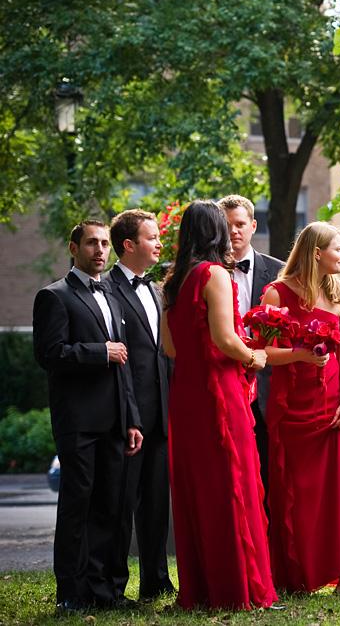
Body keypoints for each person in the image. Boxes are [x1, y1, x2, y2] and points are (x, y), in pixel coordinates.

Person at [161, 201, 276, 610]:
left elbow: (169, 348)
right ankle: (235, 589)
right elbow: (227, 340)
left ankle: (203, 587)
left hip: (186, 396)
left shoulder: (173, 281)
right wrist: (253, 357)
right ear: (217, 233)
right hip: (217, 392)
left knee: (199, 489)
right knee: (231, 485)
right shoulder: (214, 275)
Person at [33, 220, 143, 612]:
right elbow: (50, 354)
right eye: (92, 243)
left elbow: (125, 363)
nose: (100, 250)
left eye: (104, 244)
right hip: (78, 422)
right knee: (77, 508)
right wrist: (100, 352)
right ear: (73, 247)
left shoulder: (112, 295)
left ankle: (105, 592)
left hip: (116, 421)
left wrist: (132, 418)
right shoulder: (54, 296)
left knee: (110, 508)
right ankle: (71, 595)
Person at [261, 221, 340, 594]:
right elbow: (261, 353)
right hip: (291, 406)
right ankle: (298, 574)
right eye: (338, 248)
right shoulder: (276, 295)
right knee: (297, 494)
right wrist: (300, 355)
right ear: (315, 253)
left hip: (332, 406)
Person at [108, 210, 174, 600]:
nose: (159, 243)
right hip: (126, 416)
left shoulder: (154, 289)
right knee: (120, 506)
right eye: (152, 237)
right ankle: (114, 588)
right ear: (129, 245)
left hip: (161, 416)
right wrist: (130, 414)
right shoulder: (108, 289)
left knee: (155, 505)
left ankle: (156, 580)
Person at [219, 194, 284, 501]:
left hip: (271, 388)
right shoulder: (208, 273)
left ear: (253, 226)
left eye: (240, 224)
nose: (234, 231)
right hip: (222, 384)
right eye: (227, 225)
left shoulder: (280, 272)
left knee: (272, 475)